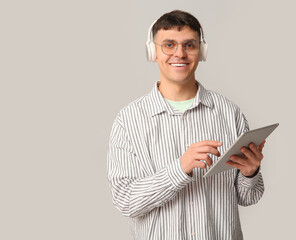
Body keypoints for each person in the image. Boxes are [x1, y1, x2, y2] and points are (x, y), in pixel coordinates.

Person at [107, 10, 266, 240]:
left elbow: (249, 197)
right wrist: (180, 168)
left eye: (189, 45)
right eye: (169, 45)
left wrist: (251, 173)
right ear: (152, 52)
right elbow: (126, 201)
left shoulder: (229, 113)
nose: (179, 54)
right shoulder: (128, 121)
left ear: (201, 52)